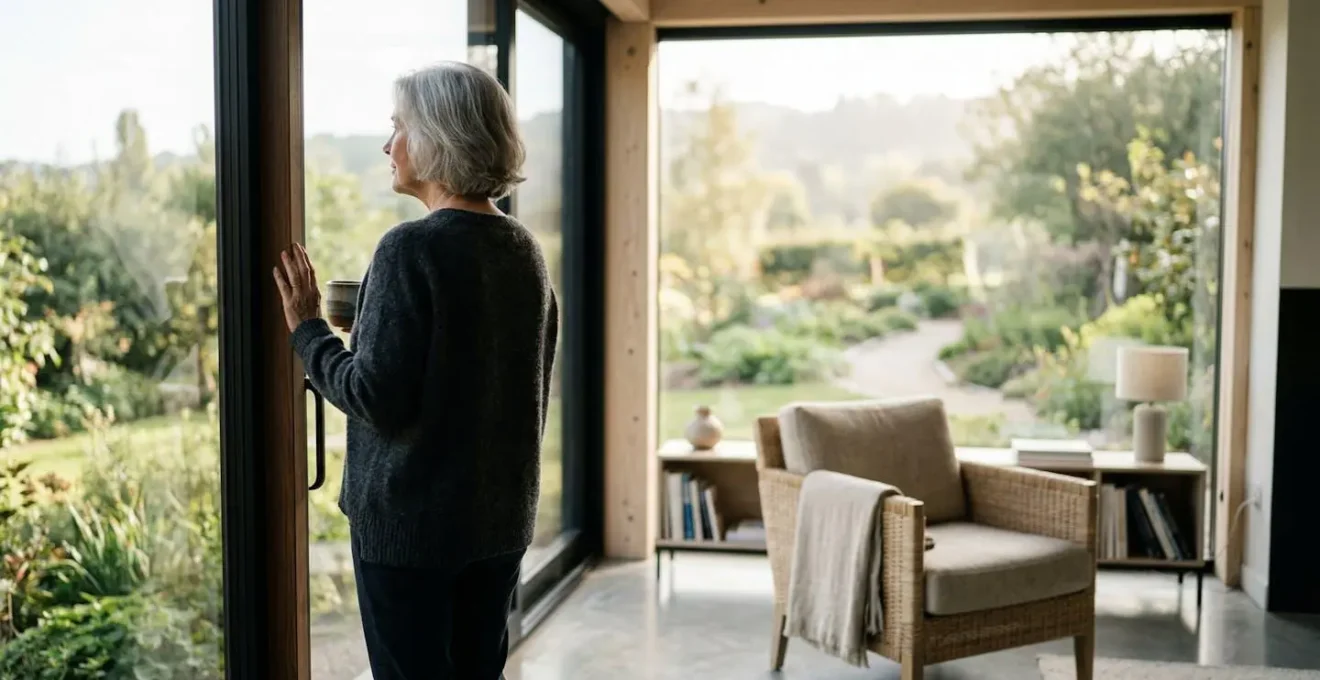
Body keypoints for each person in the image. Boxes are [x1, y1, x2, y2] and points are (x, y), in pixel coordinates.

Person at [273, 61, 558, 680]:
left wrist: (307, 328)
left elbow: (374, 396)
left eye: (399, 126)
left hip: (411, 535)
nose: (387, 144)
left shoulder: (410, 247)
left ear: (436, 137)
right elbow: (491, 374)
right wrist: (373, 334)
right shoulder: (524, 251)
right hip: (499, 524)